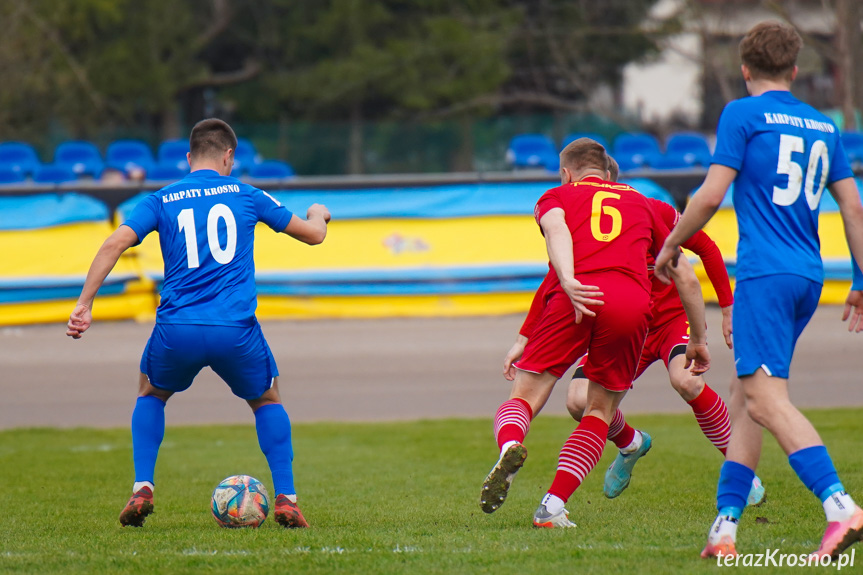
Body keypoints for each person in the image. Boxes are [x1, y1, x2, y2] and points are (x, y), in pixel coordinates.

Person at [653, 21, 863, 560]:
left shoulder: (741, 114)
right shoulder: (823, 124)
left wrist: (673, 243)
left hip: (764, 275)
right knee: (745, 398)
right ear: (794, 71)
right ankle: (724, 529)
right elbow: (853, 208)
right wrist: (862, 280)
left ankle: (841, 507)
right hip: (807, 277)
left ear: (743, 68)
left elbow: (710, 195)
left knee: (767, 401)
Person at [66, 118, 331, 529]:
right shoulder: (247, 194)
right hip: (234, 331)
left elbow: (114, 242)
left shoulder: (160, 199)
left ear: (188, 158)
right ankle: (287, 498)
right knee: (267, 400)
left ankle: (142, 488)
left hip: (178, 329)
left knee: (150, 393)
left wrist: (85, 303)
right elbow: (314, 235)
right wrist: (319, 212)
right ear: (229, 156)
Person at [503, 157, 764, 506]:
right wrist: (525, 335)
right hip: (627, 322)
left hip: (668, 319)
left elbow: (706, 248)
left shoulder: (649, 209)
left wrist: (727, 308)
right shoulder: (589, 229)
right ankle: (630, 443)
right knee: (578, 402)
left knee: (685, 381)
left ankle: (742, 471)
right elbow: (555, 279)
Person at [480, 138, 711, 528]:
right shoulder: (644, 203)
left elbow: (555, 230)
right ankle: (552, 506)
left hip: (575, 297)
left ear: (567, 173)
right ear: (606, 172)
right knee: (599, 410)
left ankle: (511, 445)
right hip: (629, 303)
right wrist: (700, 340)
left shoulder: (558, 195)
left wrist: (569, 280)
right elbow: (686, 275)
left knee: (525, 396)